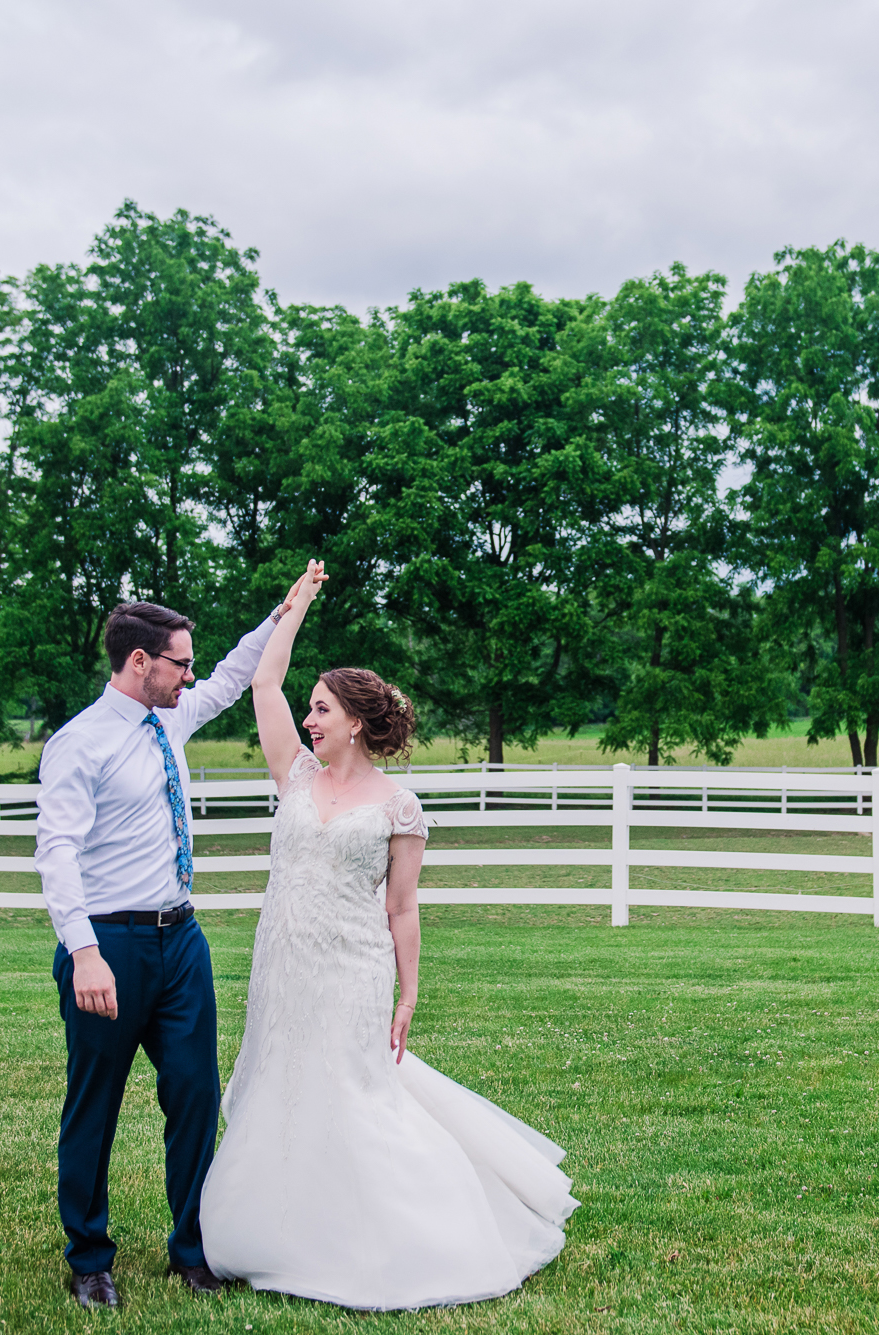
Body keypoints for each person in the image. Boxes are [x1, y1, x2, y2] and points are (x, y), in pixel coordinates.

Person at [200, 559, 578, 1309]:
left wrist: (410, 992)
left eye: (323, 710)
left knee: (353, 1093)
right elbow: (262, 685)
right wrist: (294, 607)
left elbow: (402, 908)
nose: (309, 719)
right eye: (310, 709)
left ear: (358, 723)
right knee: (282, 1086)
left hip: (353, 968)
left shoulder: (400, 807)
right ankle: (280, 1231)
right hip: (282, 965)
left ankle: (400, 1233)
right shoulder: (295, 776)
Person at [35, 586, 304, 1310]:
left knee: (193, 1093)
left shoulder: (169, 717)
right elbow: (57, 851)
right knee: (96, 1103)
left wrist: (279, 616)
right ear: (138, 661)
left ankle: (193, 1250)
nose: (191, 675)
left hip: (180, 938)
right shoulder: (79, 742)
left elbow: (226, 682)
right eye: (179, 664)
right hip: (109, 943)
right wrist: (83, 951)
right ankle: (89, 1257)